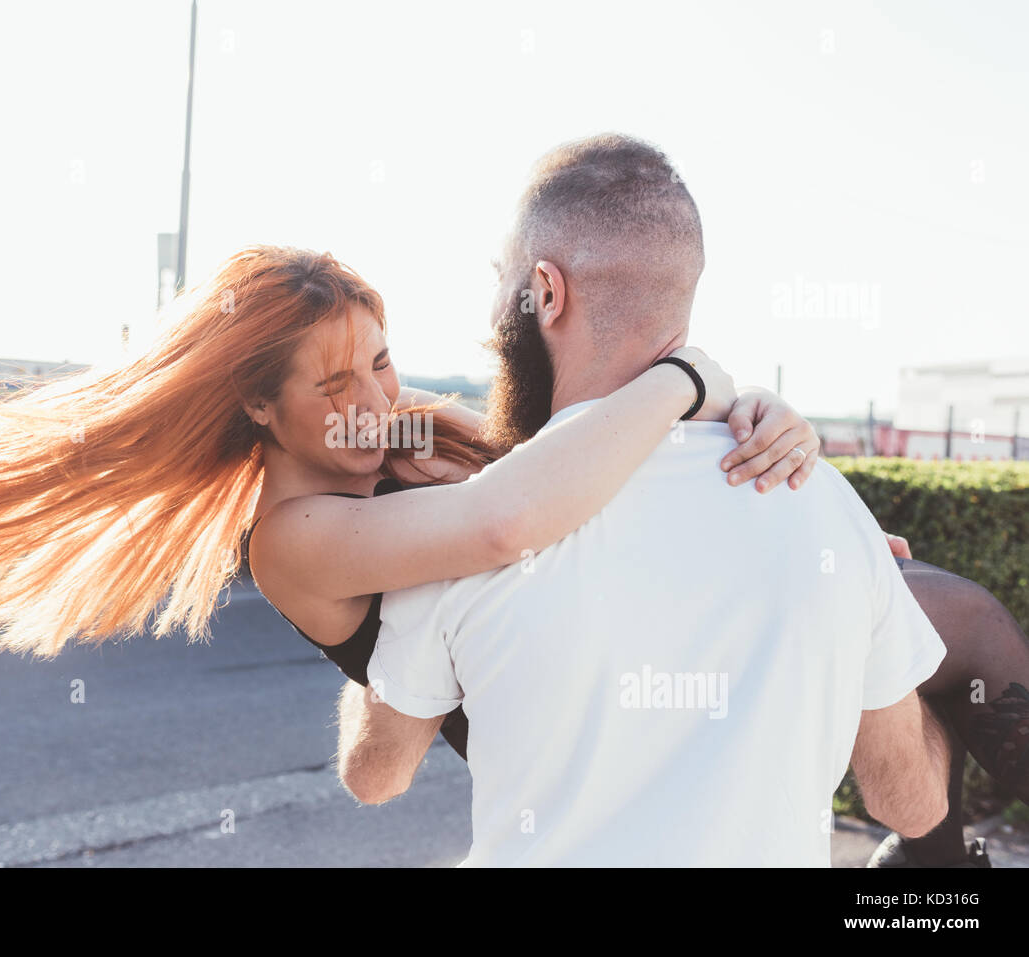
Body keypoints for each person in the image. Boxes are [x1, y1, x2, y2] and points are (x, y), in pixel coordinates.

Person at [337, 134, 1025, 867]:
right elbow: (909, 803)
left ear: (546, 289)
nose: (493, 318)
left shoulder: (465, 530)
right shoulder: (823, 504)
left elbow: (375, 774)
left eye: (503, 282)